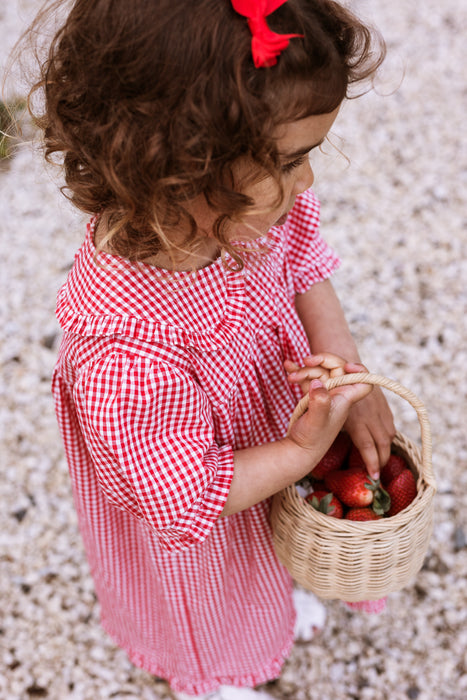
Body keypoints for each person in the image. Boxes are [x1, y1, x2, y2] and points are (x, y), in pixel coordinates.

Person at [25, 0, 395, 697]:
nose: (306, 181)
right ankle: (217, 670)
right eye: (290, 160)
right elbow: (186, 495)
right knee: (220, 588)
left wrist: (348, 372)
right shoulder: (124, 348)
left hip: (274, 436)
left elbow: (301, 261)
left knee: (278, 536)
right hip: (214, 495)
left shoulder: (251, 206)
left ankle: (280, 591)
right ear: (171, 166)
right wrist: (300, 454)